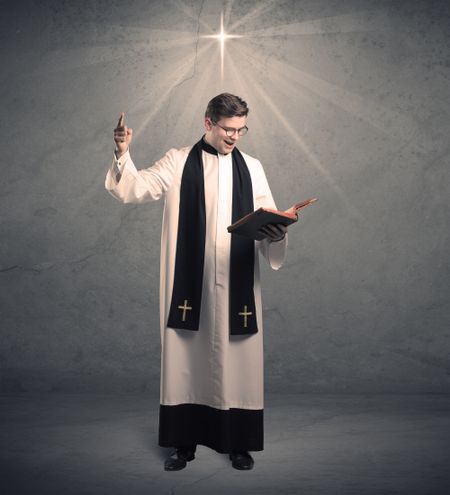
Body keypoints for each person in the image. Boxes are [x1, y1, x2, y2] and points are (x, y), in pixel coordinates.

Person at [105, 93, 288, 471]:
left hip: (236, 282)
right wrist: (123, 153)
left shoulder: (252, 168)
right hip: (192, 285)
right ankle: (183, 444)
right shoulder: (178, 161)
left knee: (238, 362)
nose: (235, 136)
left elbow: (267, 215)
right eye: (228, 128)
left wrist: (277, 230)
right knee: (186, 361)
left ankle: (238, 443)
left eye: (241, 129)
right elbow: (137, 188)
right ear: (208, 123)